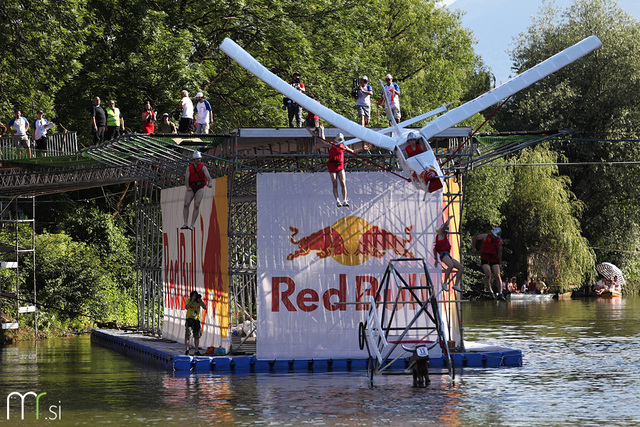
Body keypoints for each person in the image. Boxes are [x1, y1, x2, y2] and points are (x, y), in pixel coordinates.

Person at [182, 150, 213, 230]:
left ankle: (192, 224)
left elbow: (208, 177)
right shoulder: (189, 168)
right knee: (186, 204)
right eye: (197, 159)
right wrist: (187, 187)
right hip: (191, 187)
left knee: (197, 205)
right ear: (194, 160)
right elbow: (187, 178)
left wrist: (210, 183)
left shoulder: (203, 167)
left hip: (200, 187)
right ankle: (185, 223)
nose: (199, 160)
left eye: (199, 158)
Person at [322, 132, 354, 207]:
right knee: (334, 182)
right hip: (332, 165)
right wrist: (322, 131)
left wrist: (362, 149)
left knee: (343, 182)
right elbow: (323, 141)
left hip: (340, 165)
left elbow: (352, 151)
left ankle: (345, 200)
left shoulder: (343, 146)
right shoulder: (333, 144)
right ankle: (337, 200)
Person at [433, 216, 463, 292]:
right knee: (450, 265)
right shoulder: (440, 235)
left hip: (447, 255)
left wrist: (436, 260)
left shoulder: (444, 237)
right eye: (446, 231)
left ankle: (456, 285)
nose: (446, 233)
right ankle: (444, 283)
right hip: (443, 255)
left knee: (461, 267)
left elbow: (435, 249)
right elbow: (443, 228)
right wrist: (448, 220)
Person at [472, 227, 504, 299]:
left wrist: (500, 262)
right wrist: (473, 248)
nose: (493, 237)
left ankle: (500, 293)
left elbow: (499, 252)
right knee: (488, 274)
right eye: (493, 235)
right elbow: (475, 238)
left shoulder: (499, 241)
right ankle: (490, 291)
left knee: (497, 275)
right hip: (485, 258)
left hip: (494, 258)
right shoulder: (485, 236)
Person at [185, 290, 207, 355]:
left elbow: (205, 307)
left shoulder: (198, 302)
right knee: (188, 335)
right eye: (194, 296)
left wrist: (201, 301)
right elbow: (186, 307)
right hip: (189, 319)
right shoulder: (189, 301)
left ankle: (196, 350)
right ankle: (187, 349)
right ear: (191, 296)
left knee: (197, 336)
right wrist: (192, 300)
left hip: (196, 320)